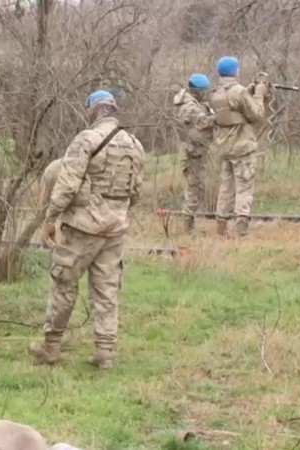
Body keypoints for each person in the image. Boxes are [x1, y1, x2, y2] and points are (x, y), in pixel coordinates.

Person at [30, 90, 145, 369]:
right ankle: (105, 352)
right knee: (107, 289)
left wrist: (50, 219)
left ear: (93, 110)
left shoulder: (86, 139)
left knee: (64, 283)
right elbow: (136, 191)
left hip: (82, 227)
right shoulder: (135, 145)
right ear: (113, 109)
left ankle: (51, 346)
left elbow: (67, 184)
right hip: (115, 228)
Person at [209, 56, 268, 238]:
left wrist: (248, 93)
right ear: (235, 71)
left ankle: (221, 228)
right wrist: (258, 94)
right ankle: (242, 231)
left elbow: (233, 110)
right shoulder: (238, 92)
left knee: (225, 188)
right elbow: (256, 114)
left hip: (224, 147)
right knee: (244, 187)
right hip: (242, 147)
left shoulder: (216, 93)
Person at [173, 73, 215, 232]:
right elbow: (203, 122)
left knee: (196, 188)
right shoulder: (189, 107)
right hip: (193, 153)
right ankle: (188, 227)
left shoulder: (191, 103)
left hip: (196, 150)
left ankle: (189, 224)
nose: (206, 93)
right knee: (195, 188)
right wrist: (220, 117)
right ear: (197, 91)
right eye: (204, 91)